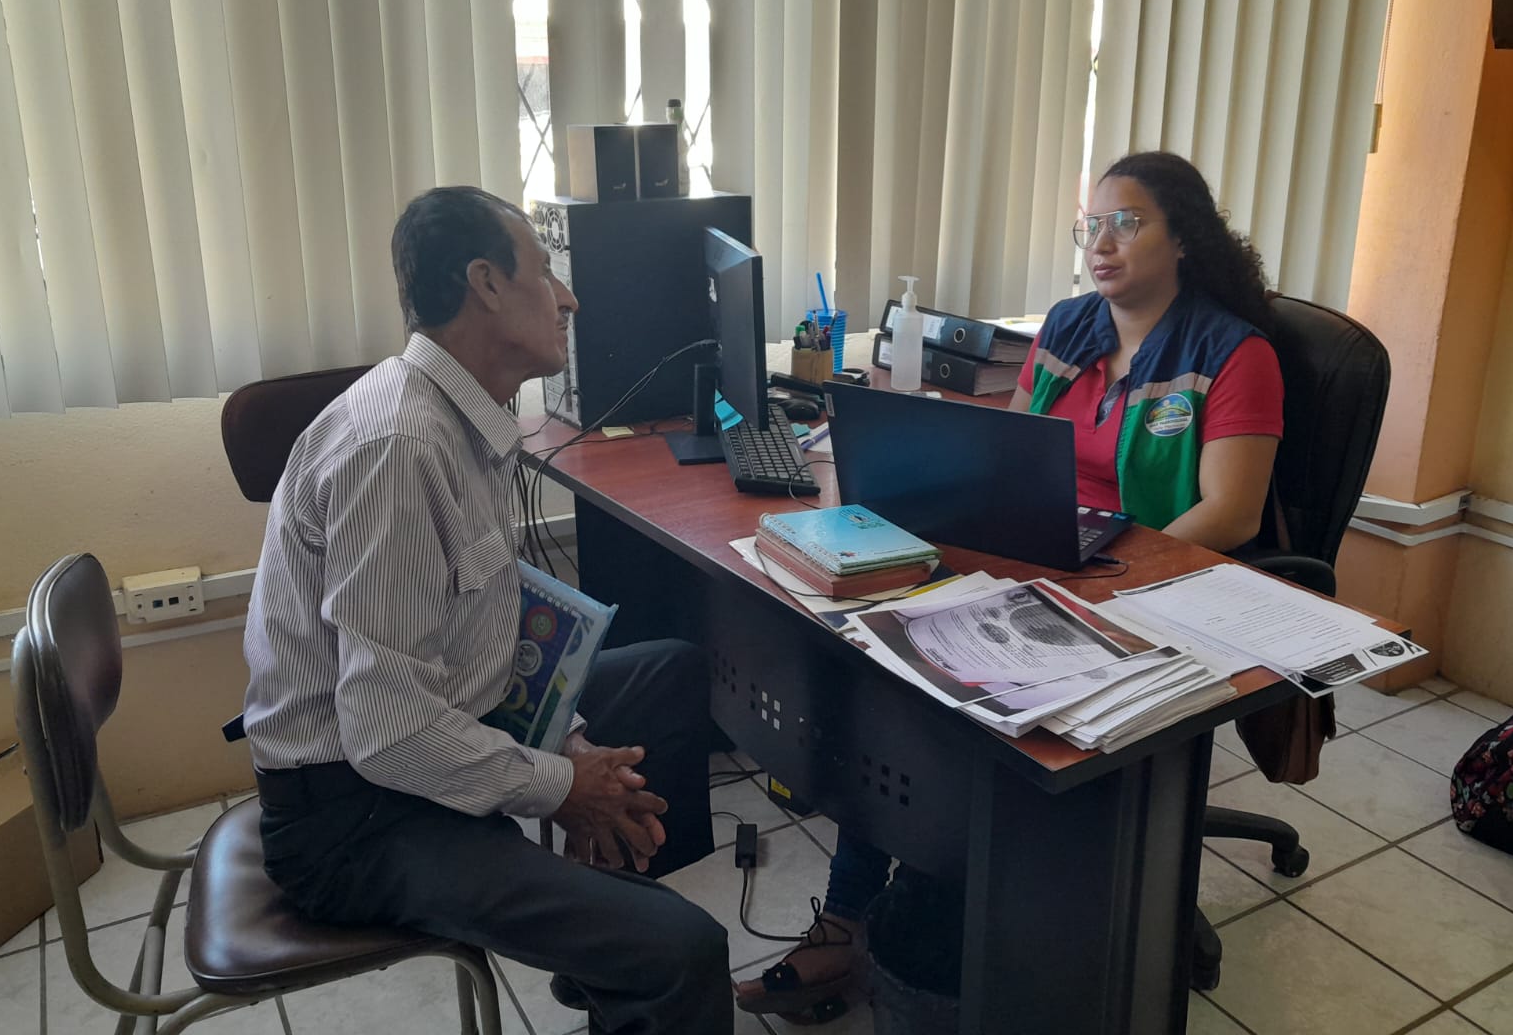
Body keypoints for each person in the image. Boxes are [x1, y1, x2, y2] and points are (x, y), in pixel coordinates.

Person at [734, 150, 1283, 1017]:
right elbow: (1015, 451)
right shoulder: (1068, 327)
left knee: (958, 714)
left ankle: (910, 914)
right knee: (889, 671)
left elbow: (1233, 511)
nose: (1101, 243)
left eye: (1126, 223)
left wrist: (1105, 584)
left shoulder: (1233, 353)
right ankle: (865, 912)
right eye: (1090, 226)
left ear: (1183, 237)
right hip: (1044, 559)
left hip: (1149, 587)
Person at [244, 186, 731, 1035]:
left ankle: (605, 944)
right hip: (355, 817)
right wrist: (559, 786)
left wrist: (569, 745)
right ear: (487, 284)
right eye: (546, 271)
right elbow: (388, 731)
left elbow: (473, 636)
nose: (569, 298)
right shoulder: (399, 447)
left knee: (670, 672)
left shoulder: (456, 416)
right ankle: (638, 955)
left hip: (420, 739)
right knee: (683, 952)